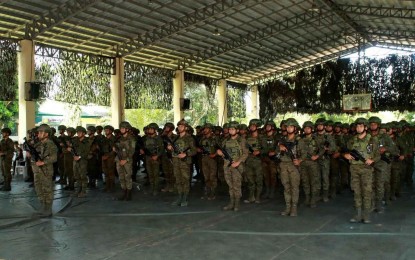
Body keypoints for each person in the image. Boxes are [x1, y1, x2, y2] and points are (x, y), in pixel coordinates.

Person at [344, 117, 380, 224]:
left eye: (361, 126)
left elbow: (378, 155)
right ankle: (358, 214)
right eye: (357, 126)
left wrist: (372, 159)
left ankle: (366, 214)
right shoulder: (352, 140)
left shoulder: (372, 140)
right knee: (356, 191)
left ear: (365, 127)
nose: (358, 128)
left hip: (366, 169)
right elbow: (346, 151)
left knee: (367, 192)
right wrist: (345, 155)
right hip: (354, 168)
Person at [217, 121, 248, 211]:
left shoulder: (242, 140)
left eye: (233, 129)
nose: (231, 131)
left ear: (237, 130)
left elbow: (245, 153)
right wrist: (219, 153)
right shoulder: (226, 140)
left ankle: (237, 203)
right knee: (230, 185)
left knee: (236, 185)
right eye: (229, 129)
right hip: (227, 165)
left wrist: (238, 162)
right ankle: (231, 202)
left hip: (237, 166)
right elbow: (223, 152)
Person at [29, 124, 58, 217]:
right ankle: (43, 207)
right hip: (37, 171)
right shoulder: (39, 143)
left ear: (46, 134)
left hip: (45, 171)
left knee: (47, 189)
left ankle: (48, 209)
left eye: (41, 132)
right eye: (39, 132)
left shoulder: (50, 144)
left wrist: (43, 162)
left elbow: (54, 157)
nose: (38, 134)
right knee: (39, 189)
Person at [167, 119, 196, 207]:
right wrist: (170, 148)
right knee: (178, 180)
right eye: (179, 126)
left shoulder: (189, 138)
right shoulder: (175, 138)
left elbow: (194, 150)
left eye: (182, 126)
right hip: (176, 162)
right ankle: (180, 196)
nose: (180, 128)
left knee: (185, 180)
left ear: (186, 128)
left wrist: (186, 154)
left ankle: (185, 197)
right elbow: (172, 149)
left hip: (185, 162)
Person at [278, 118, 301, 216]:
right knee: (286, 186)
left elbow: (305, 153)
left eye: (291, 127)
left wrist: (299, 160)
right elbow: (276, 153)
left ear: (295, 128)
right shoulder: (282, 140)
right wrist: (280, 149)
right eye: (287, 127)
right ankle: (288, 207)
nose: (289, 128)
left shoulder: (299, 140)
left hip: (293, 166)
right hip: (283, 165)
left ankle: (294, 208)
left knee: (294, 187)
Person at [297, 121, 320, 208]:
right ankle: (307, 198)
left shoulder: (316, 139)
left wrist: (317, 156)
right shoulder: (300, 139)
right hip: (303, 163)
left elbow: (322, 149)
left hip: (312, 163)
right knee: (305, 181)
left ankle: (313, 199)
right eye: (305, 128)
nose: (306, 130)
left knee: (313, 181)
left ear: (312, 129)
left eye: (308, 128)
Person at [244, 119, 264, 204]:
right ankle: (251, 197)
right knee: (250, 179)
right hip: (248, 160)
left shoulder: (262, 137)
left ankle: (258, 197)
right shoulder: (247, 138)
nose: (251, 127)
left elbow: (267, 148)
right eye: (251, 126)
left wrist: (259, 152)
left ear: (257, 126)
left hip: (258, 161)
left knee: (259, 179)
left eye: (253, 126)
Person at [141, 123, 164, 196]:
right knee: (150, 174)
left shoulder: (158, 138)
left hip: (155, 158)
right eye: (149, 129)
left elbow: (162, 149)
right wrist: (142, 151)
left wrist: (157, 156)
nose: (150, 130)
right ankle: (152, 188)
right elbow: (145, 147)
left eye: (151, 129)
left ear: (155, 130)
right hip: (148, 158)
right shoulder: (146, 138)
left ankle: (156, 189)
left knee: (155, 174)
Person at [114, 121, 136, 201]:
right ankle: (124, 192)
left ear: (127, 129)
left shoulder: (131, 139)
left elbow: (132, 151)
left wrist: (125, 160)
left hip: (127, 161)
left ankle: (129, 194)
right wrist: (115, 150)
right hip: (119, 160)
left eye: (123, 128)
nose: (121, 129)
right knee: (121, 177)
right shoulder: (119, 138)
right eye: (121, 128)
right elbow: (118, 149)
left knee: (127, 177)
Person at [198, 123, 219, 200]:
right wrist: (199, 150)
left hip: (212, 159)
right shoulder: (202, 139)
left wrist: (215, 154)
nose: (205, 130)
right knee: (206, 176)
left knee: (212, 176)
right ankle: (208, 191)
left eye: (206, 128)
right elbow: (200, 146)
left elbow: (220, 148)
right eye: (204, 129)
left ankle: (213, 192)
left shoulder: (215, 138)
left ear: (210, 129)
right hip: (204, 158)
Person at [70, 126, 91, 198]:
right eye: (77, 132)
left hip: (82, 160)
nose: (78, 134)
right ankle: (78, 190)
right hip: (75, 160)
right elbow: (72, 149)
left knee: (83, 176)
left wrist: (79, 157)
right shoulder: (75, 140)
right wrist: (71, 152)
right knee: (76, 175)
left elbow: (87, 151)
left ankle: (83, 191)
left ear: (84, 133)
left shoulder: (87, 141)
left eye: (80, 132)